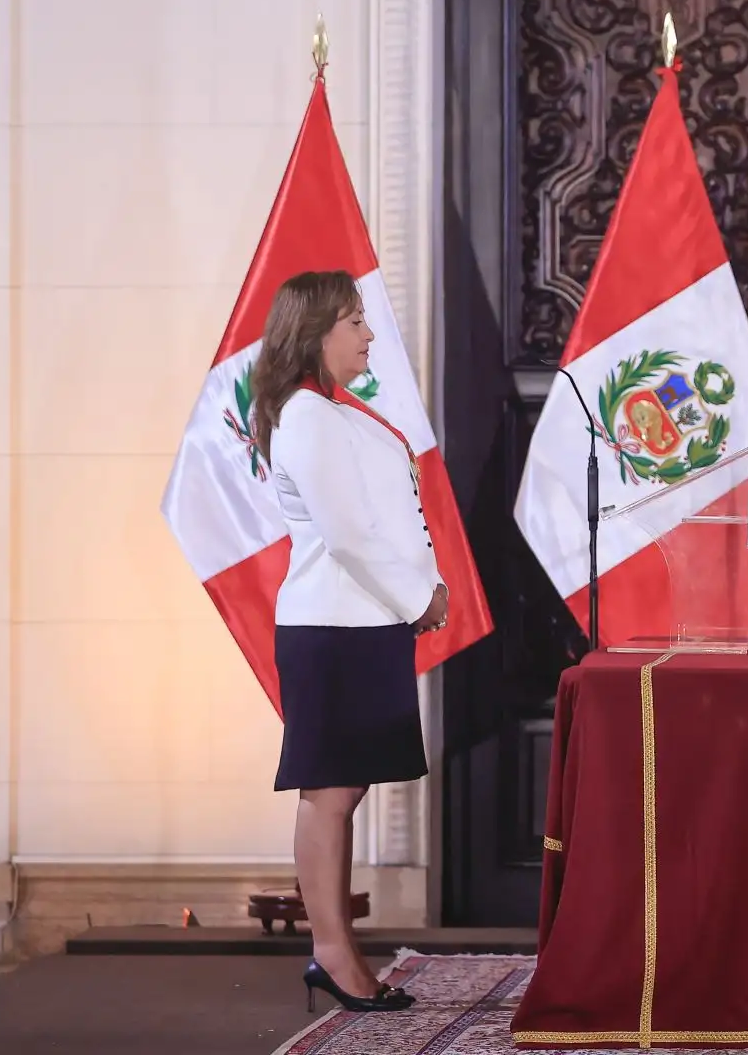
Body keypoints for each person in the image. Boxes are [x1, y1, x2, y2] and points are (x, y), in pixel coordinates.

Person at [251, 271, 449, 1013]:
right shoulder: (307, 415)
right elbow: (349, 534)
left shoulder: (334, 413)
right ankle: (332, 955)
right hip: (333, 627)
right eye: (355, 322)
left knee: (344, 787)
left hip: (362, 625)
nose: (368, 336)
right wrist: (418, 595)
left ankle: (336, 952)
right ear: (316, 331)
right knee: (329, 792)